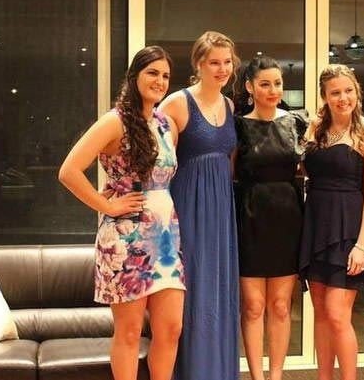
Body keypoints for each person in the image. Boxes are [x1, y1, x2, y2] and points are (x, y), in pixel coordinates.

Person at [58, 46, 185, 380]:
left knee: (171, 328)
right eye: (152, 73)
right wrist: (107, 205)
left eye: (165, 75)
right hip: (126, 238)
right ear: (134, 76)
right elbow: (69, 171)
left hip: (165, 237)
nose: (160, 81)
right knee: (129, 332)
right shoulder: (114, 121)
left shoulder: (166, 124)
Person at [158, 30, 239, 380]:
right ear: (199, 64)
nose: (222, 69)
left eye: (227, 62)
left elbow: (228, 161)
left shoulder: (230, 106)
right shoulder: (177, 103)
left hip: (221, 209)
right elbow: (158, 161)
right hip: (187, 207)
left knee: (219, 288)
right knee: (193, 288)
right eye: (214, 62)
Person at [299, 64, 364, 380]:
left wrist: (362, 245)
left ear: (357, 92)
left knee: (337, 314)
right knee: (320, 313)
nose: (343, 98)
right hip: (316, 224)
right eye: (335, 92)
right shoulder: (314, 129)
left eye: (349, 91)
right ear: (324, 96)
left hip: (349, 229)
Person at [233, 55, 307, 380]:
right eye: (265, 84)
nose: (273, 90)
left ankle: (276, 375)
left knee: (280, 305)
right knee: (252, 306)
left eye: (277, 83)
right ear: (250, 87)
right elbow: (229, 174)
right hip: (250, 216)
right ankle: (256, 376)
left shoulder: (296, 122)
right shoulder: (238, 125)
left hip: (288, 218)